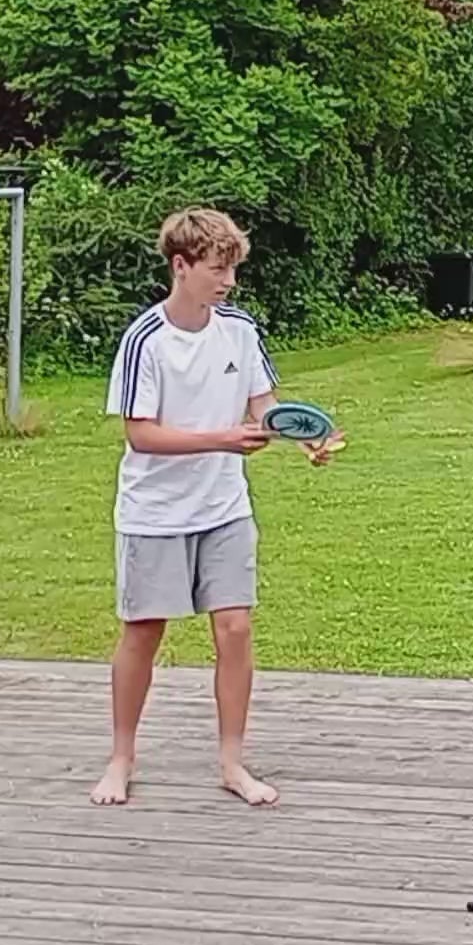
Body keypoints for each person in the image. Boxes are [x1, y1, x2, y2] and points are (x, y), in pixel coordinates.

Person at [91, 207, 341, 808]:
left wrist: (304, 439)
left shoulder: (240, 330)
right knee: (143, 632)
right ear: (180, 266)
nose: (228, 281)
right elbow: (141, 435)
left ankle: (232, 762)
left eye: (232, 269)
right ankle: (121, 758)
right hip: (154, 513)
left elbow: (264, 406)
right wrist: (222, 439)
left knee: (235, 628)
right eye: (217, 269)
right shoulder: (145, 340)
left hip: (225, 508)